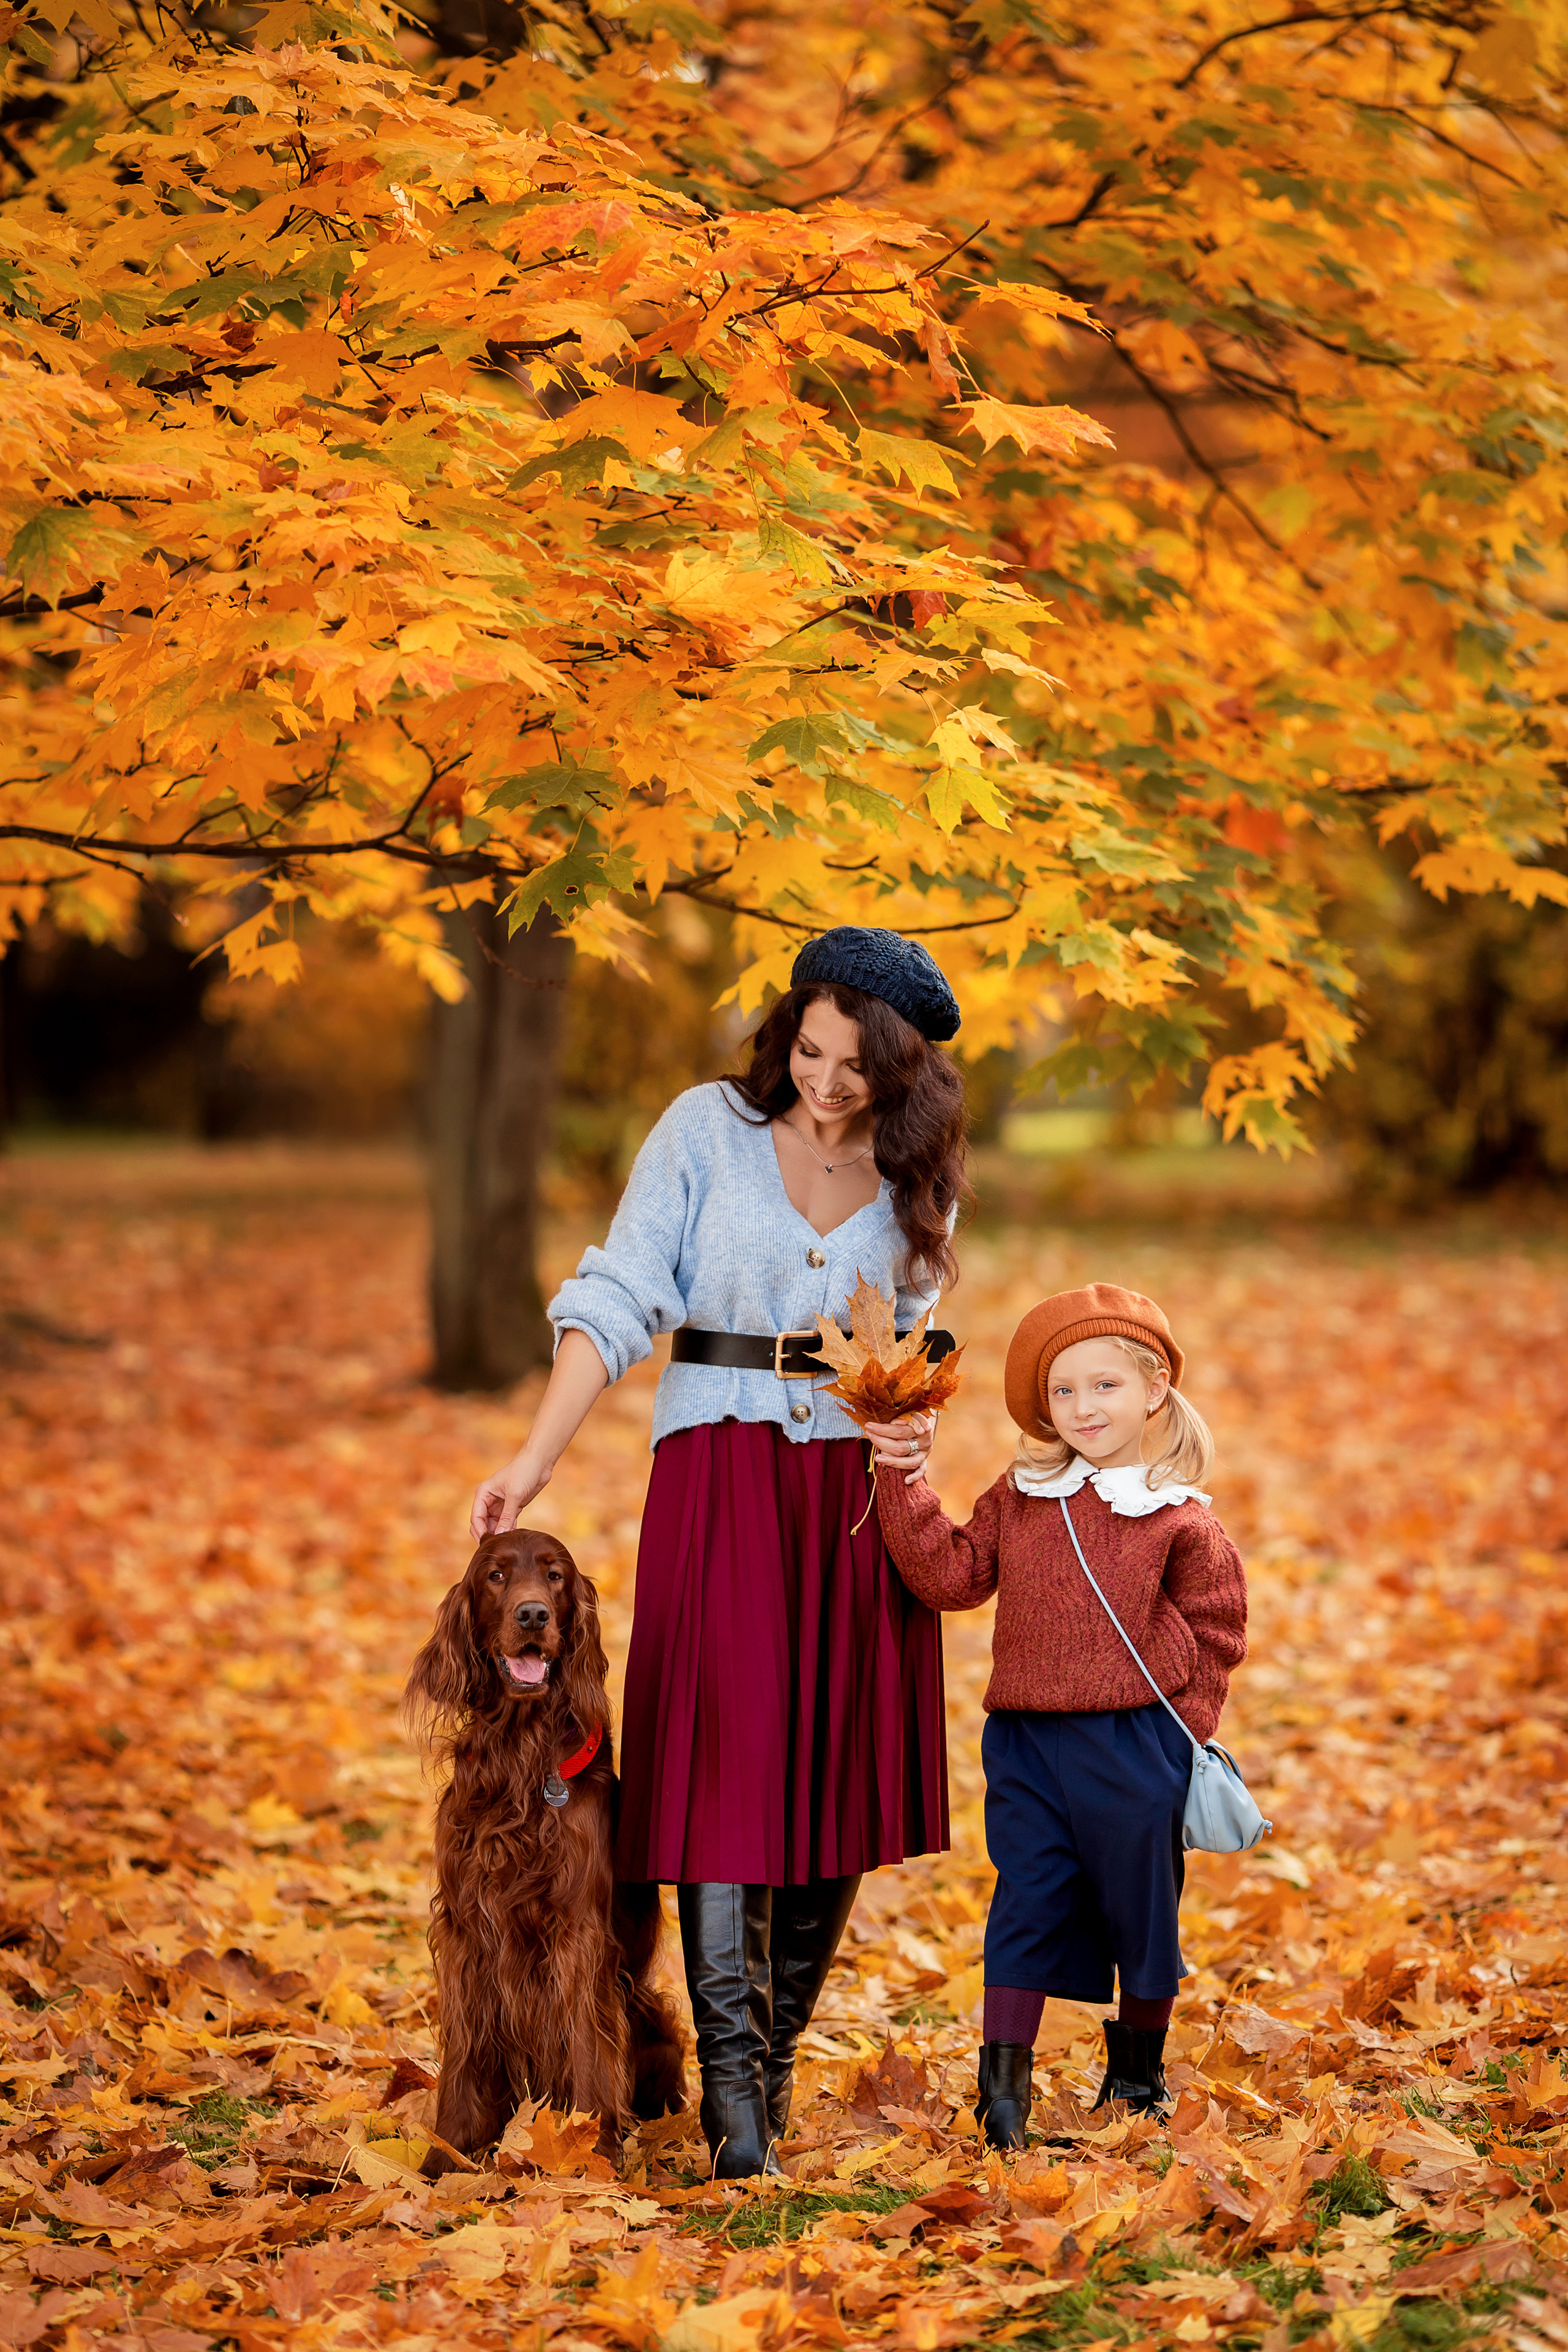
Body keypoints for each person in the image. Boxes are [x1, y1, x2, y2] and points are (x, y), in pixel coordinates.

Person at [470, 925, 970, 2177]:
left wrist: (912, 1437)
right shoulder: (703, 1131)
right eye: (809, 1051)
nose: (824, 1082)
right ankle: (734, 2097)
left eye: (855, 1068)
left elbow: (914, 1345)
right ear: (785, 1033)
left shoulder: (921, 1177)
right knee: (723, 1770)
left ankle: (776, 2052)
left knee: (837, 1770)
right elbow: (621, 1290)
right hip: (719, 1479)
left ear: (899, 1073)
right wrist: (531, 1460)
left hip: (851, 1496)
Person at [874, 1283, 1248, 2144]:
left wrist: (1181, 1735)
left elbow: (1217, 1630)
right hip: (1027, 1743)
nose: (1085, 1407)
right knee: (1027, 1900)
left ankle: (1138, 2074)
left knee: (1139, 1908)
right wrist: (903, 1483)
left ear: (1154, 1391)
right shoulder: (1024, 1494)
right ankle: (1002, 2095)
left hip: (1134, 1745)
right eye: (1065, 1391)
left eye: (1106, 1385)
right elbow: (952, 1576)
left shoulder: (1177, 1517)